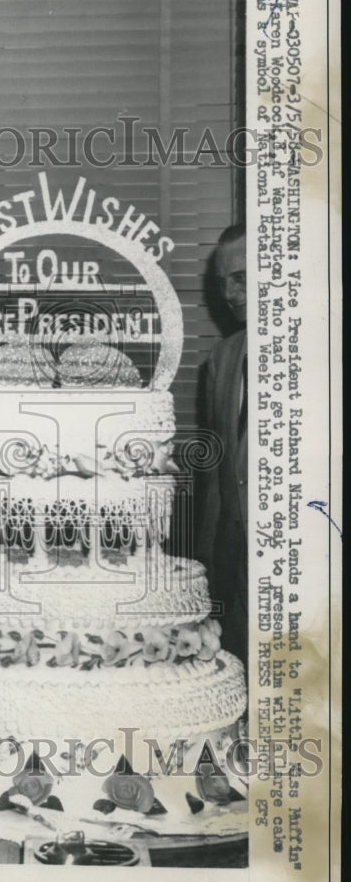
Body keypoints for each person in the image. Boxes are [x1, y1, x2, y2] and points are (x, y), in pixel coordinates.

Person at [196, 223, 247, 666]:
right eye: (223, 282)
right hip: (234, 572)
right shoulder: (223, 357)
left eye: (243, 279)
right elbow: (215, 475)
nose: (230, 294)